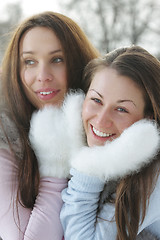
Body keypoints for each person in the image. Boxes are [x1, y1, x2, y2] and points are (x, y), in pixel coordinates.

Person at [29, 45, 160, 240]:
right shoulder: (83, 145)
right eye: (96, 100)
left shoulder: (153, 177)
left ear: (146, 121)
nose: (100, 120)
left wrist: (89, 168)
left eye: (122, 109)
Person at [0, 11, 99, 240]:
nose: (43, 76)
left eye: (57, 59)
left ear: (77, 62)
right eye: (30, 62)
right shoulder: (6, 135)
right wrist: (54, 168)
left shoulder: (105, 125)